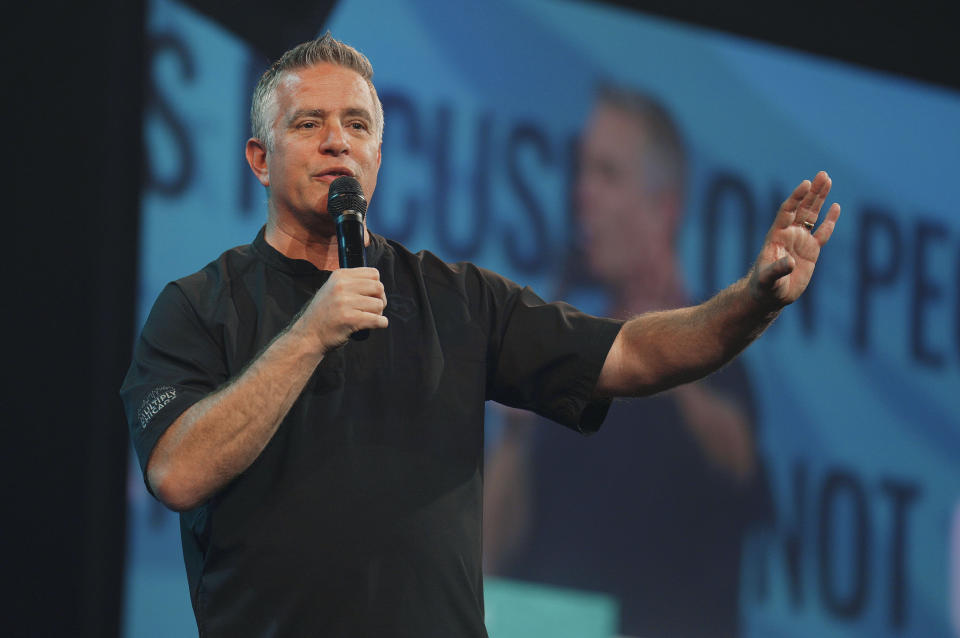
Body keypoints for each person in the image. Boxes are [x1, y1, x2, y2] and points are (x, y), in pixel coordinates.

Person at [121, 34, 841, 638]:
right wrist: (308, 334)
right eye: (308, 124)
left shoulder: (455, 299)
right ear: (258, 158)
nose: (337, 140)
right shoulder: (199, 308)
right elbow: (178, 473)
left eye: (358, 125)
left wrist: (754, 300)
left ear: (379, 154)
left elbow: (634, 353)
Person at [484, 88, 766, 637]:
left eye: (607, 175)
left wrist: (661, 344)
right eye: (583, 171)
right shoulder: (568, 350)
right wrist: (515, 434)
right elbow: (490, 553)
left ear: (664, 208)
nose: (581, 194)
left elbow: (739, 464)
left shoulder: (719, 352)